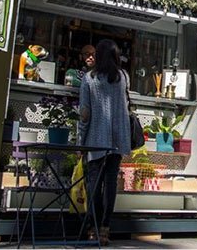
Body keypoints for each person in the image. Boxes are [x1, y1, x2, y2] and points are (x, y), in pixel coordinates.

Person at [77, 39, 130, 246]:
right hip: (117, 140)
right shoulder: (123, 77)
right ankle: (105, 228)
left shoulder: (89, 78)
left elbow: (84, 113)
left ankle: (93, 227)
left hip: (95, 140)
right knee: (109, 185)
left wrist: (81, 140)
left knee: (93, 185)